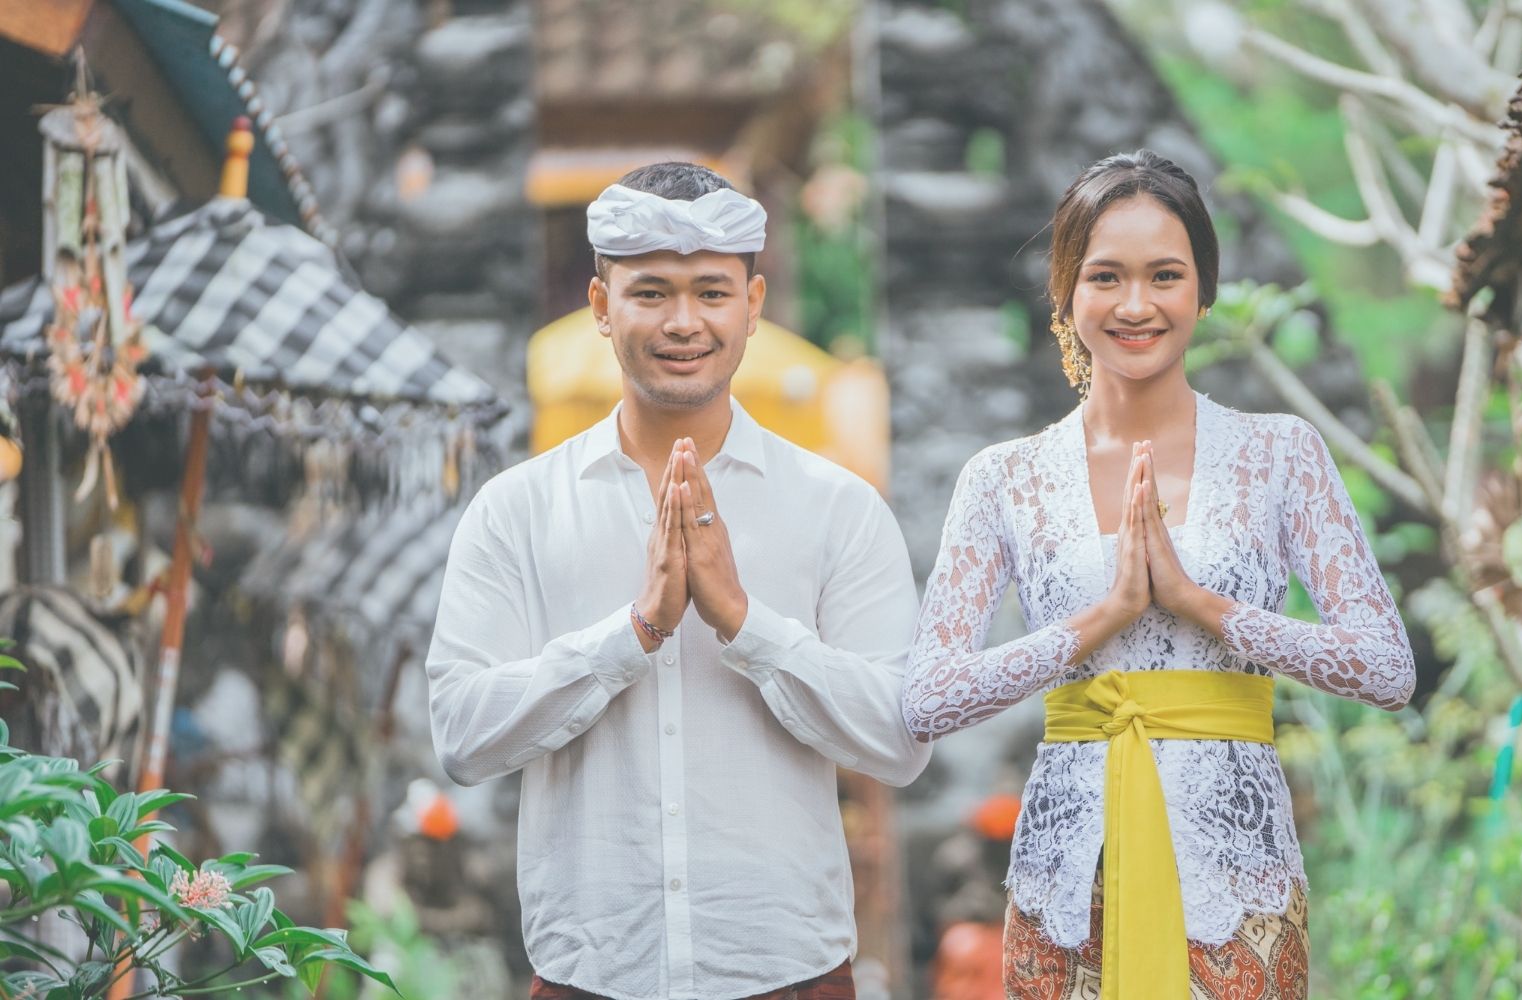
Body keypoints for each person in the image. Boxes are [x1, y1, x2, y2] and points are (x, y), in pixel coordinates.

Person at [902, 149, 1416, 999]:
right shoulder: (1005, 476)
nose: (1136, 305)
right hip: (1067, 881)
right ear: (1066, 292)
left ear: (1203, 292)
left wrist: (1204, 607)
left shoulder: (1280, 454)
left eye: (1165, 275)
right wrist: (1094, 624)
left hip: (1237, 881)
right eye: (1106, 276)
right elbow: (928, 698)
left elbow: (1387, 667)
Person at [426, 162, 929, 1000]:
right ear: (599, 306)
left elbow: (902, 740)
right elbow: (462, 736)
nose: (684, 321)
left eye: (711, 292)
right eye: (651, 292)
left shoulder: (840, 507)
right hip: (591, 976)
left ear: (754, 304)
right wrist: (633, 634)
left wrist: (744, 623)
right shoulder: (516, 509)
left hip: (791, 975)